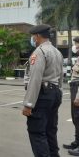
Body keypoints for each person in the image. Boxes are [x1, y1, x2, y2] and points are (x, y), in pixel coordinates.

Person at [22, 24, 63, 157]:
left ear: (38, 36)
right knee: (50, 130)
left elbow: (35, 79)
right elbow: (61, 76)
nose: (33, 39)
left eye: (33, 36)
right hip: (55, 92)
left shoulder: (39, 52)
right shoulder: (57, 51)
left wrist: (28, 104)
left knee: (37, 132)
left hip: (43, 95)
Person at [66, 36, 79, 156]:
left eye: (77, 43)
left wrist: (78, 97)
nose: (76, 46)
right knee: (75, 117)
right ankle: (76, 142)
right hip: (74, 87)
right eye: (75, 43)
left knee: (78, 117)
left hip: (78, 89)